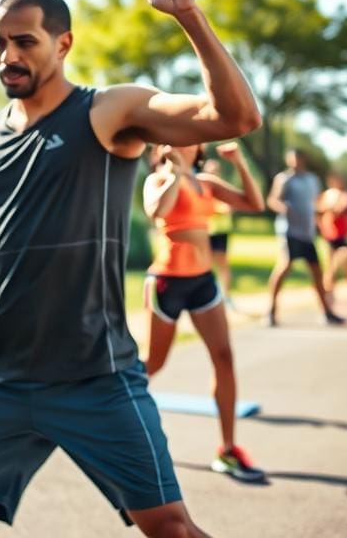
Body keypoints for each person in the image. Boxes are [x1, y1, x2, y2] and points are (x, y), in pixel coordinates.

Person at [0, 0, 261, 538]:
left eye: (24, 42)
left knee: (171, 527)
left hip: (96, 374)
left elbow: (235, 117)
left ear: (63, 44)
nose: (7, 56)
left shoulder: (107, 111)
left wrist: (188, 15)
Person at [142, 140, 265, 482]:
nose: (185, 141)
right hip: (167, 283)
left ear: (198, 150)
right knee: (153, 364)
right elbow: (157, 211)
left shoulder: (206, 184)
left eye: (192, 139)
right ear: (163, 148)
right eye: (177, 137)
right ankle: (106, 414)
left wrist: (240, 161)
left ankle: (227, 450)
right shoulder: (156, 180)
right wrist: (175, 174)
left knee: (224, 358)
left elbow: (254, 203)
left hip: (203, 282)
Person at [265, 148, 345, 327]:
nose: (294, 162)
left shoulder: (312, 180)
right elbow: (272, 200)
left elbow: (317, 204)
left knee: (317, 272)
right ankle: (270, 311)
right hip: (289, 231)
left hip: (307, 233)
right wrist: (282, 208)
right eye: (291, 159)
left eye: (297, 159)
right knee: (285, 266)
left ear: (303, 159)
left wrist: (327, 213)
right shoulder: (284, 179)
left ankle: (326, 312)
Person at [317, 172, 347, 309]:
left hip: (343, 235)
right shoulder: (326, 195)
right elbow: (318, 210)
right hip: (330, 235)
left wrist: (330, 208)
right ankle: (330, 293)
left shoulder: (346, 194)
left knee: (345, 265)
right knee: (329, 266)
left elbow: (342, 208)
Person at [202, 154, 236, 307]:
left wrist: (214, 209)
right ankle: (209, 296)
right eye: (210, 170)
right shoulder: (201, 188)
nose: (213, 173)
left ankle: (226, 296)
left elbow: (228, 209)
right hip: (206, 231)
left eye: (215, 170)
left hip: (221, 231)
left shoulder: (222, 188)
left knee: (222, 264)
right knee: (205, 264)